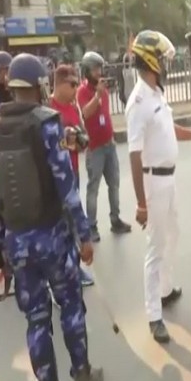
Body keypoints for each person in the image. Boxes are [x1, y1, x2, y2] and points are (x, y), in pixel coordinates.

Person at [0, 53, 103, 381]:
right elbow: (66, 187)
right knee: (70, 305)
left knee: (35, 318)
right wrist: (83, 235)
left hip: (17, 243)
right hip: (52, 236)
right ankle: (81, 376)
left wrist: (2, 247)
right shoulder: (46, 124)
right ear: (39, 85)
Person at [126, 30, 191, 343]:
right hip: (153, 181)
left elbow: (168, 128)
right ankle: (153, 314)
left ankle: (165, 288)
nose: (164, 63)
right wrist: (141, 203)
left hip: (168, 178)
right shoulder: (137, 102)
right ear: (149, 59)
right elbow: (133, 154)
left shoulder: (156, 92)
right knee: (155, 247)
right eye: (161, 58)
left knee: (173, 233)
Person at [77, 51, 131, 242]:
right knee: (94, 187)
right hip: (94, 147)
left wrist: (112, 136)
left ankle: (115, 219)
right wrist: (97, 95)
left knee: (114, 184)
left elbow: (105, 116)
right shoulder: (83, 91)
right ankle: (91, 226)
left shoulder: (104, 90)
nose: (98, 72)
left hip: (109, 144)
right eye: (94, 69)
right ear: (86, 71)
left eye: (99, 68)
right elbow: (86, 113)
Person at [50, 64, 95, 287]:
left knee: (72, 223)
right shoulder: (48, 110)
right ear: (59, 84)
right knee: (62, 226)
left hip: (73, 170)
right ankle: (61, 277)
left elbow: (82, 136)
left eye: (78, 84)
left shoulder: (73, 107)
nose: (76, 89)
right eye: (72, 84)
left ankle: (75, 268)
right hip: (55, 179)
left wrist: (79, 142)